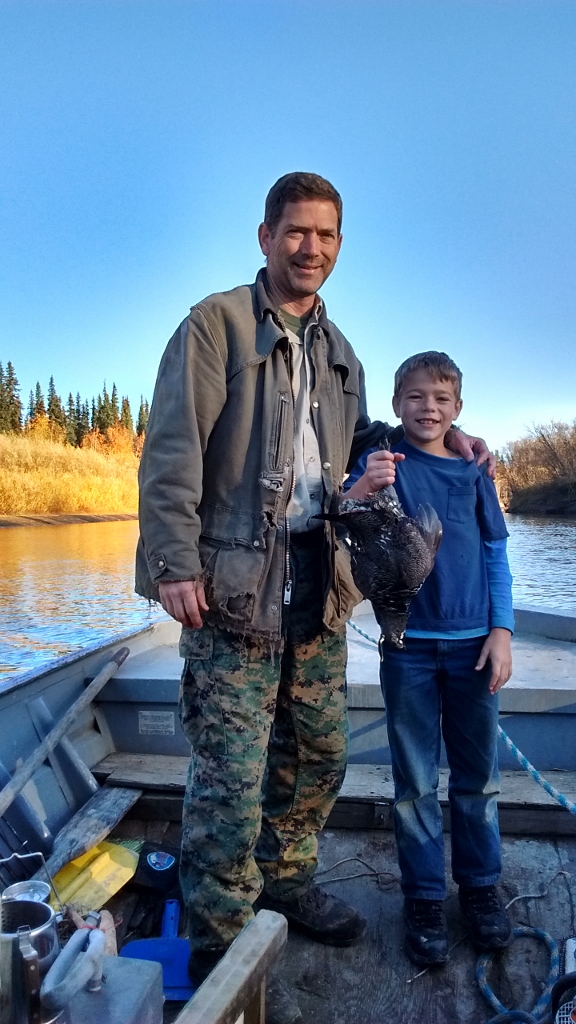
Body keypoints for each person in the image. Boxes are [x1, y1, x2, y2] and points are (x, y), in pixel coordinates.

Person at [136, 175, 493, 1022]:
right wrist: (173, 564)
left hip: (317, 581)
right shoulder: (214, 325)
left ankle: (288, 883)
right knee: (230, 772)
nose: (312, 249)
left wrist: (442, 435)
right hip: (231, 584)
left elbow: (360, 438)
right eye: (297, 233)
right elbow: (172, 451)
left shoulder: (344, 352)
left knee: (319, 754)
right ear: (265, 237)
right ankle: (223, 941)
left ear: (340, 244)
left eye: (327, 236)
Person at [348, 350, 513, 968]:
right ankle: (422, 896)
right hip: (407, 647)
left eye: (442, 401)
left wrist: (503, 630)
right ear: (397, 405)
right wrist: (364, 483)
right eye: (416, 397)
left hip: (474, 646)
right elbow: (343, 507)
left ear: (459, 410)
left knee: (478, 779)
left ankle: (480, 888)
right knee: (415, 782)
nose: (429, 409)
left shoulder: (474, 472)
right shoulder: (382, 460)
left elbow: (496, 553)